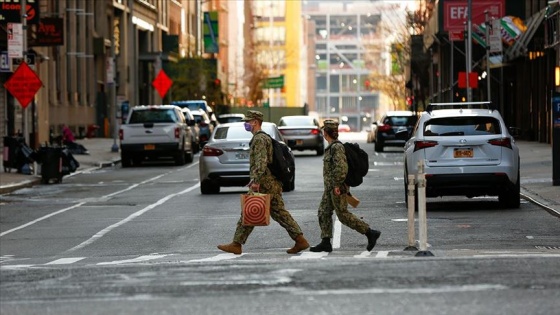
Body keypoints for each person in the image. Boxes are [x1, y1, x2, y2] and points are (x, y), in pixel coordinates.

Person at [217, 110, 309, 255]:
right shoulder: (263, 137)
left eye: (248, 121)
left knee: (249, 210)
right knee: (279, 213)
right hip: (272, 182)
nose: (246, 124)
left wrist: (255, 181)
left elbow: (260, 162)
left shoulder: (259, 139)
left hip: (265, 182)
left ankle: (236, 244)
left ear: (255, 122)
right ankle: (300, 239)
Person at [310, 119, 381, 252]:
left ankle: (370, 233)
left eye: (323, 131)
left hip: (337, 187)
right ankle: (325, 242)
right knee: (323, 212)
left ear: (326, 133)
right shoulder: (331, 147)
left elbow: (342, 168)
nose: (323, 133)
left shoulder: (336, 148)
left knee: (343, 215)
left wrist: (338, 185)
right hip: (330, 188)